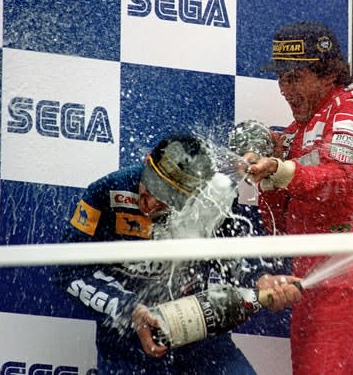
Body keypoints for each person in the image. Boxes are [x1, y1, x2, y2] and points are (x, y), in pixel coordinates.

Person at [55, 132, 302, 375]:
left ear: (193, 197)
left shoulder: (210, 202)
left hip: (198, 333)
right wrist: (129, 310)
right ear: (146, 162)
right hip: (128, 341)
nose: (150, 204)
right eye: (150, 187)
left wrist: (261, 279)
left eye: (167, 199)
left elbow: (232, 255)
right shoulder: (106, 191)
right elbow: (68, 270)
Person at [243, 21, 353, 374]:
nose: (284, 89)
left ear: (327, 75)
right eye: (281, 78)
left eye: (295, 78)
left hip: (346, 279)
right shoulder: (293, 133)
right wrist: (265, 177)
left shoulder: (352, 107)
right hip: (305, 282)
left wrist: (280, 168)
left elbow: (343, 183)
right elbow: (275, 225)